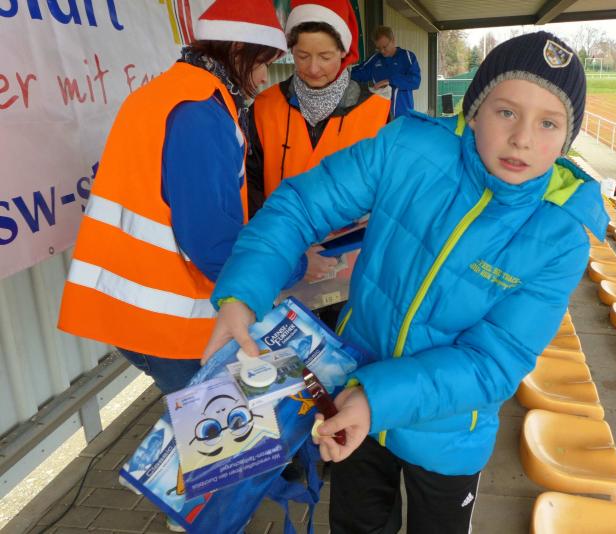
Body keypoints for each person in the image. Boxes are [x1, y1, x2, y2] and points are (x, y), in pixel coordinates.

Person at [203, 32, 606, 533]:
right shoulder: (408, 147)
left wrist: (375, 399)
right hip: (351, 391)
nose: (522, 138)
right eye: (506, 112)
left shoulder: (561, 236)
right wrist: (243, 293)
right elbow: (301, 204)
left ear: (567, 139)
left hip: (449, 432)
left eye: (548, 123)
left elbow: (493, 362)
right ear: (473, 112)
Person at [57, 0, 287, 395]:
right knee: (223, 427)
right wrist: (288, 266)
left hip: (134, 311)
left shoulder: (171, 92)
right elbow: (211, 241)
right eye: (262, 63)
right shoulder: (201, 112)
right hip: (167, 322)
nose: (265, 77)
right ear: (237, 51)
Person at [247, 0, 391, 285]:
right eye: (302, 56)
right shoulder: (264, 107)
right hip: (282, 260)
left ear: (344, 52)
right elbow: (251, 188)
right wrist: (283, 250)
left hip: (351, 269)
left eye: (325, 56)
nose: (313, 68)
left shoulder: (377, 113)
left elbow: (391, 196)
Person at [351, 25, 421, 119]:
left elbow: (415, 81)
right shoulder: (375, 59)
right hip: (381, 117)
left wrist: (389, 81)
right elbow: (356, 74)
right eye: (378, 48)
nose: (382, 51)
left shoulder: (407, 57)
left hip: (403, 116)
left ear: (393, 40)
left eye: (385, 47)